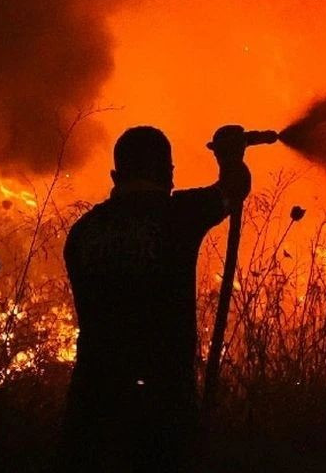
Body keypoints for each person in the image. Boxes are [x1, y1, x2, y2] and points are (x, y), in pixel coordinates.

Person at [59, 125, 252, 471]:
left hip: (94, 396)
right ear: (169, 174)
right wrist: (229, 156)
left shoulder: (83, 231)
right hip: (163, 396)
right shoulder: (181, 214)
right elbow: (234, 188)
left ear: (116, 175)